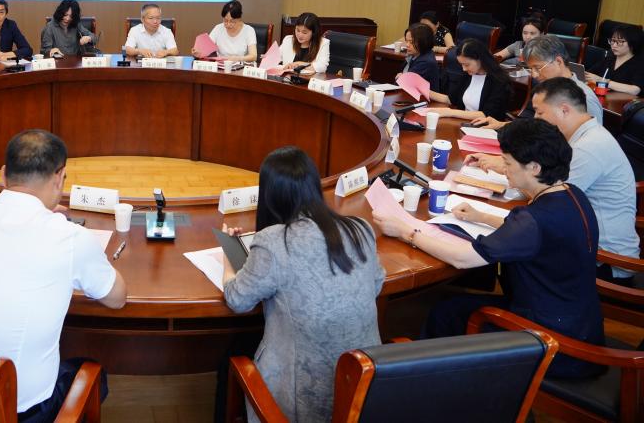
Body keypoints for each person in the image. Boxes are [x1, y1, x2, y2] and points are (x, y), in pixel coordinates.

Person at [374, 118, 605, 379]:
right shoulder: (571, 193)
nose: (504, 170)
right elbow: (539, 234)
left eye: (508, 163)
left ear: (534, 167)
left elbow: (463, 259)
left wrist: (406, 232)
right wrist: (481, 217)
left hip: (555, 344)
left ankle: (426, 383)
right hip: (580, 324)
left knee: (445, 313)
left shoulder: (533, 222)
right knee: (454, 306)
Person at [0, 130, 127, 421]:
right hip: (16, 411)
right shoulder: (71, 238)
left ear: (3, 174)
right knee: (92, 373)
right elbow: (117, 298)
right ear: (59, 178)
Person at [222, 146, 383, 422]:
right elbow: (376, 284)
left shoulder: (274, 242)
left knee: (232, 352)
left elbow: (237, 299)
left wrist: (229, 257)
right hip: (364, 389)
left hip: (302, 402)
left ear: (270, 196)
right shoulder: (360, 228)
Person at [467, 77, 639, 282]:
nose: (536, 119)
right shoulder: (584, 135)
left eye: (540, 113)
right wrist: (507, 166)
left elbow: (543, 200)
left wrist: (507, 172)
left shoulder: (587, 148)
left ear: (564, 110)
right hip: (582, 242)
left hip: (603, 261)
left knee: (508, 253)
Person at [474, 34, 603, 130]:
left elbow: (588, 143)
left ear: (558, 61)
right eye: (531, 69)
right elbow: (537, 127)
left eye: (538, 68)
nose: (534, 75)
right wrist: (501, 125)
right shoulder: (547, 88)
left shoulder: (584, 98)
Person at [426, 39, 512, 121]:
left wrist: (450, 112)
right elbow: (450, 99)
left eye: (467, 65)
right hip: (464, 124)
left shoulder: (499, 81)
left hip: (486, 127)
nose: (464, 69)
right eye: (461, 65)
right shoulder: (468, 75)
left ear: (480, 59)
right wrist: (425, 91)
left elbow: (487, 115)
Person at [586, 23, 643, 97]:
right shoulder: (609, 59)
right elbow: (589, 74)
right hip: (603, 98)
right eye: (613, 40)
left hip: (624, 102)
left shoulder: (640, 64)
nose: (614, 45)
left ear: (633, 43)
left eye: (620, 42)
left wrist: (602, 80)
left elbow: (635, 90)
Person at [192, 0, 256, 62]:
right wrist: (198, 53)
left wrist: (237, 59)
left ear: (239, 18)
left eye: (232, 21)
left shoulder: (249, 30)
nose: (228, 24)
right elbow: (206, 48)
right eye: (225, 20)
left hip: (240, 66)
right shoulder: (218, 28)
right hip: (220, 65)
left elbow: (253, 56)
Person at [399, 23, 440, 92]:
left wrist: (401, 77)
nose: (407, 45)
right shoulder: (415, 55)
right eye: (406, 41)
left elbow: (406, 82)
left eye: (411, 42)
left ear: (423, 42)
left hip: (421, 97)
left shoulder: (426, 62)